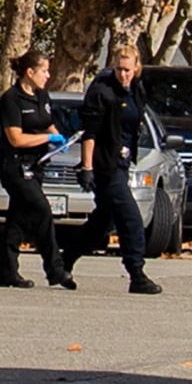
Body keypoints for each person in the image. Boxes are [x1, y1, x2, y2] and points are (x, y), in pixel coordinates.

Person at [64, 40, 163, 295]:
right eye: (119, 69)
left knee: (102, 222)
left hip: (122, 163)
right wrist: (87, 168)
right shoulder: (102, 91)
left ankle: (63, 261)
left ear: (136, 68)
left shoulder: (136, 89)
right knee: (130, 218)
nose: (123, 74)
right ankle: (136, 274)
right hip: (104, 165)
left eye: (128, 70)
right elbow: (90, 133)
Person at [0, 51, 67, 288]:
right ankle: (55, 269)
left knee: (18, 217)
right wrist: (47, 137)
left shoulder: (42, 96)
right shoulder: (11, 99)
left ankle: (6, 272)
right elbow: (15, 139)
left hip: (36, 166)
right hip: (14, 165)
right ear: (30, 72)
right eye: (44, 70)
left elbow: (47, 122)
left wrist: (59, 137)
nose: (48, 75)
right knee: (41, 209)